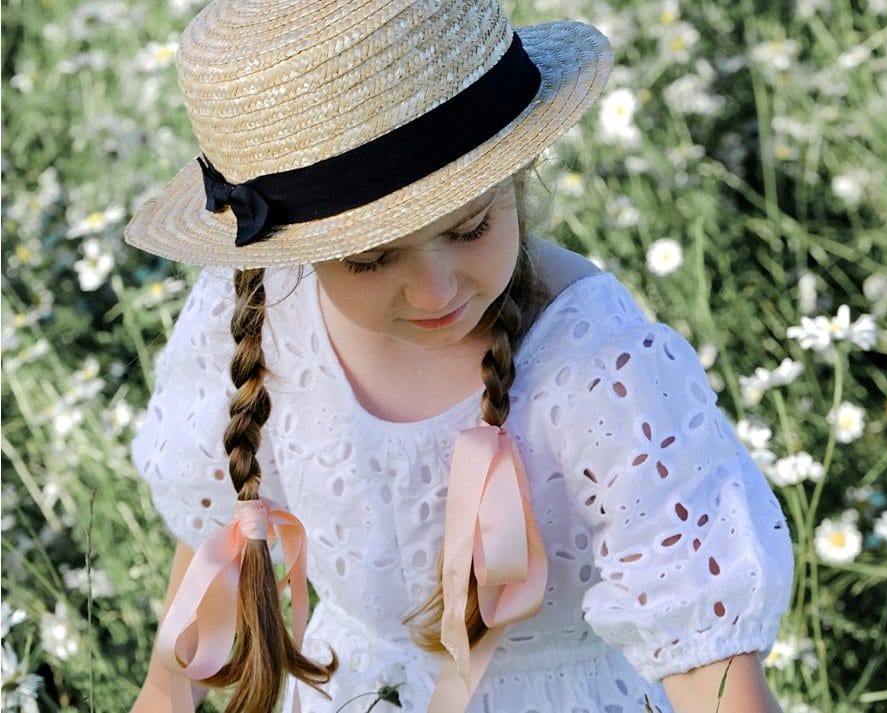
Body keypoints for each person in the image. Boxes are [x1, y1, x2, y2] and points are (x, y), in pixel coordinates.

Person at [124, 0, 794, 711]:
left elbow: (714, 673)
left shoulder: (604, 367)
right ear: (298, 253)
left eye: (471, 226)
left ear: (520, 173)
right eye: (371, 259)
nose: (436, 288)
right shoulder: (266, 315)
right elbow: (215, 544)